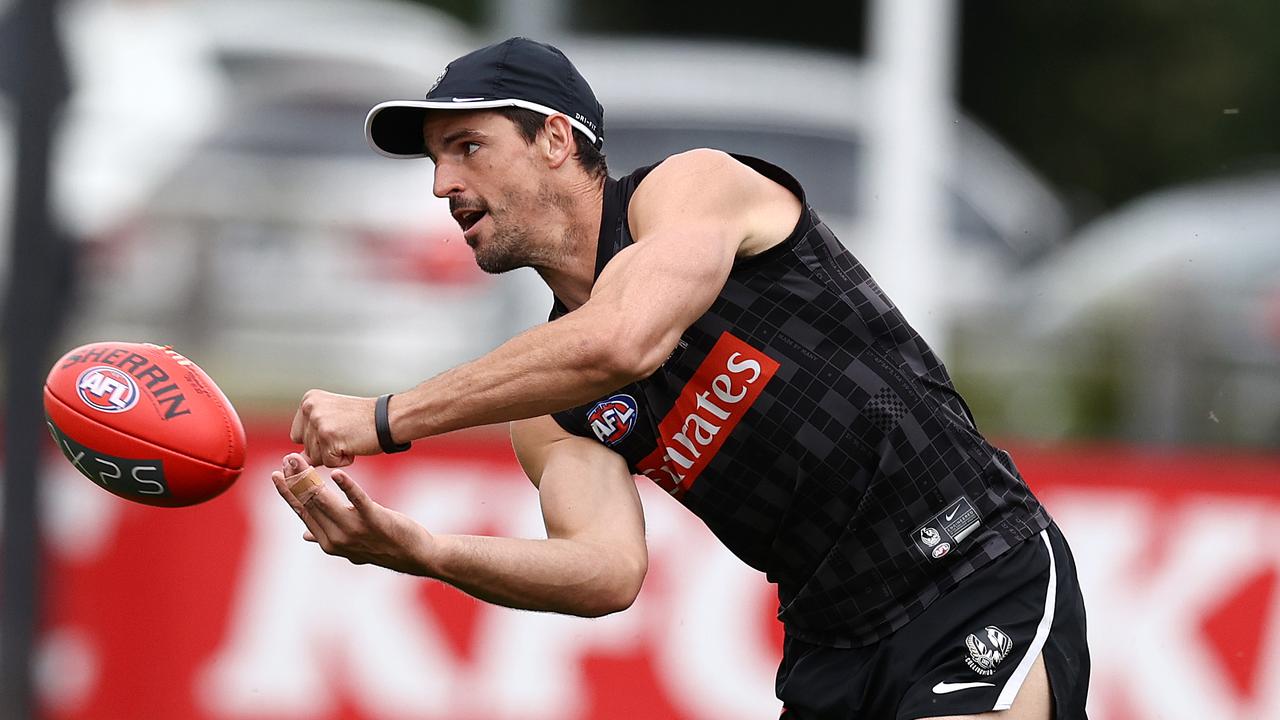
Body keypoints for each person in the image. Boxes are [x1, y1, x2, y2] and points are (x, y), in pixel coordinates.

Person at [276, 36, 1090, 719]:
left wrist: (389, 416)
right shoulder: (554, 405)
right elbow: (606, 571)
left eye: (468, 147)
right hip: (831, 648)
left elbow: (624, 340)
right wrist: (423, 549)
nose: (441, 184)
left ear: (557, 140)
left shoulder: (692, 188)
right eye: (435, 159)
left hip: (974, 568)